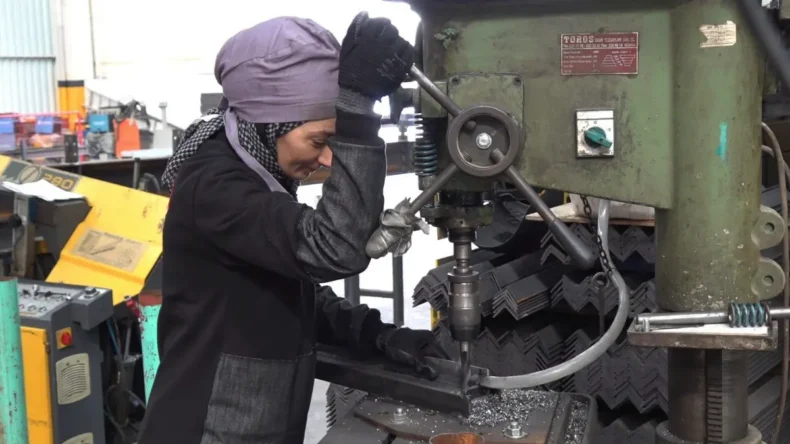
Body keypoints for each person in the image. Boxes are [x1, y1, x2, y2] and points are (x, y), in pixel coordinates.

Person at [137, 12, 450, 444]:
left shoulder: (257, 169)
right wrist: (357, 112)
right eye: (321, 142)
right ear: (271, 126)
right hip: (206, 430)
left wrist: (380, 338)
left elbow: (289, 295)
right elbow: (336, 248)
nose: (326, 160)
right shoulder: (215, 187)